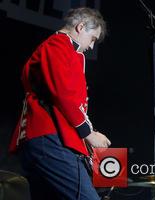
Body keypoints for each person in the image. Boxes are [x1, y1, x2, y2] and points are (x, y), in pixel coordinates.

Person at [9, 7, 111, 200]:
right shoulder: (58, 44)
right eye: (93, 39)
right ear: (81, 27)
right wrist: (89, 134)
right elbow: (63, 94)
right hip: (49, 139)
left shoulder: (65, 50)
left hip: (46, 139)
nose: (91, 46)